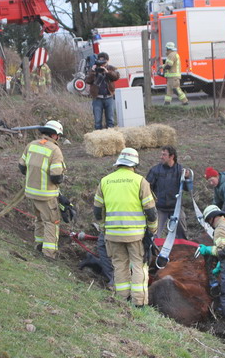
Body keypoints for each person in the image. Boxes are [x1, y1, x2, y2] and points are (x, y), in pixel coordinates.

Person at [93, 148, 157, 307]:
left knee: (119, 266)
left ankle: (122, 300)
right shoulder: (140, 181)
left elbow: (97, 210)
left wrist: (103, 228)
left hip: (113, 235)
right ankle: (139, 303)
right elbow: (151, 212)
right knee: (138, 266)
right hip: (135, 236)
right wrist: (152, 231)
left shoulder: (105, 181)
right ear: (134, 164)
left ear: (119, 163)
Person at [18, 120, 66, 259]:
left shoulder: (31, 145)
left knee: (39, 219)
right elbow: (56, 176)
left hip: (31, 192)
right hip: (47, 195)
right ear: (55, 135)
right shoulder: (55, 150)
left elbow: (22, 167)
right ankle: (49, 254)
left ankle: (39, 246)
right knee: (51, 222)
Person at [146, 145, 190, 239]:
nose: (161, 157)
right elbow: (147, 188)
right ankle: (153, 252)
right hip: (159, 208)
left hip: (176, 208)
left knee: (182, 234)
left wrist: (187, 178)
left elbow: (187, 189)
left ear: (171, 156)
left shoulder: (180, 170)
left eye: (164, 155)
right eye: (161, 154)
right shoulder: (155, 170)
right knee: (153, 234)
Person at [85, 52, 120, 130]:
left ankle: (110, 136)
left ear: (107, 61)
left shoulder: (111, 68)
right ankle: (99, 137)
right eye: (99, 60)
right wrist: (93, 71)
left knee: (110, 120)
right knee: (97, 121)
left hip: (109, 97)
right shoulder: (94, 69)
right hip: (97, 98)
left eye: (103, 61)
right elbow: (87, 80)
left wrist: (107, 72)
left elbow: (116, 77)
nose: (101, 63)